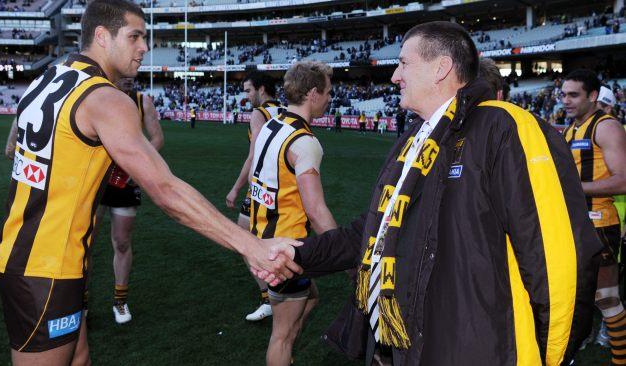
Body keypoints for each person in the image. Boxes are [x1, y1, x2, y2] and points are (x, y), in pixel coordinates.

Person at [260, 21, 601, 366]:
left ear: (441, 68)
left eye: (404, 63)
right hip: (407, 343)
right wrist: (299, 254)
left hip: (474, 349)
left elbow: (558, 262)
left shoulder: (505, 128)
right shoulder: (415, 138)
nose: (395, 76)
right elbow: (374, 230)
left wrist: (552, 356)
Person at [0, 1, 300, 365]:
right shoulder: (107, 98)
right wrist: (252, 246)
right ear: (102, 37)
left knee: (79, 358)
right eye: (135, 36)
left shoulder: (49, 78)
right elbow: (166, 191)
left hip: (28, 254)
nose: (145, 46)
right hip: (47, 268)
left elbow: (18, 151)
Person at [251, 61, 337, 366]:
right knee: (282, 336)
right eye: (327, 92)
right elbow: (316, 211)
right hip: (284, 250)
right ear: (313, 93)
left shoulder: (271, 123)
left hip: (261, 239)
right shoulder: (305, 142)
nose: (329, 98)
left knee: (311, 298)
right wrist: (344, 251)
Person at [562, 69, 626, 360]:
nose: (566, 100)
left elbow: (623, 180)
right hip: (573, 225)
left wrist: (575, 188)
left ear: (592, 96)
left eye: (573, 95)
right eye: (563, 94)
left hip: (601, 224)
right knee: (573, 297)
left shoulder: (606, 126)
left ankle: (620, 358)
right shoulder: (570, 129)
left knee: (607, 298)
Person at [94, 77, 163, 324]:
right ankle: (78, 302)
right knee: (84, 242)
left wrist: (136, 167)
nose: (128, 81)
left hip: (125, 182)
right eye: (123, 76)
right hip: (95, 181)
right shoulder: (97, 95)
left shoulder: (142, 101)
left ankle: (120, 301)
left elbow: (157, 138)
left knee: (122, 242)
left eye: (132, 78)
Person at [226, 71, 285, 321]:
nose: (246, 96)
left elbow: (254, 156)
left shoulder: (259, 114)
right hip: (283, 184)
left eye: (249, 90)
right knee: (272, 240)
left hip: (261, 186)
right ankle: (281, 294)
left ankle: (269, 297)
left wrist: (237, 188)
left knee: (245, 240)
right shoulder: (284, 109)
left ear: (261, 89)